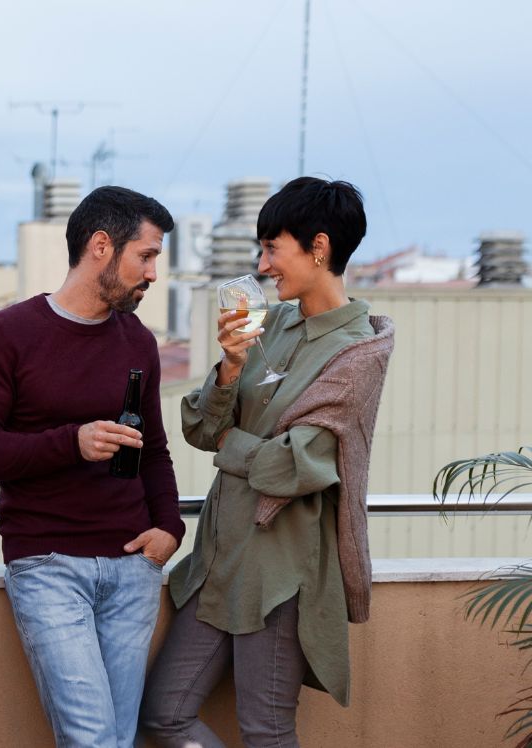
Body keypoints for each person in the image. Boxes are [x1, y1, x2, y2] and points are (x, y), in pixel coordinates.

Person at [140, 177, 395, 747]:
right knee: (162, 714)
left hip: (282, 573)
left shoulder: (357, 353)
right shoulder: (272, 323)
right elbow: (199, 427)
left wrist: (233, 446)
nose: (263, 264)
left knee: (266, 731)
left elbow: (296, 467)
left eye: (272, 248)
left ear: (319, 247)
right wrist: (229, 369)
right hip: (219, 559)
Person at [0, 185, 184, 748]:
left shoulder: (138, 340)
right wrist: (71, 442)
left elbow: (152, 448)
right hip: (49, 565)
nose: (153, 273)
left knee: (117, 738)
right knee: (91, 738)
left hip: (132, 567)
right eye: (147, 256)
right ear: (101, 246)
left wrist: (170, 530)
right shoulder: (8, 333)